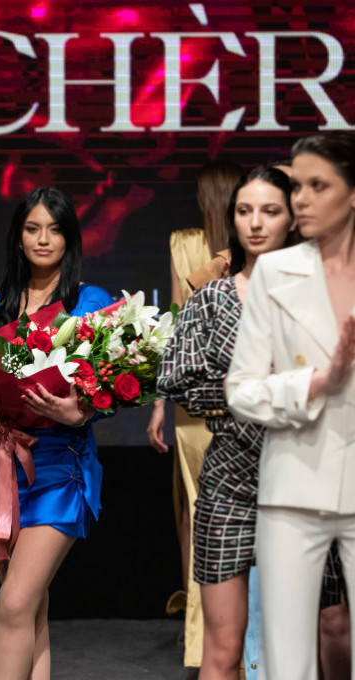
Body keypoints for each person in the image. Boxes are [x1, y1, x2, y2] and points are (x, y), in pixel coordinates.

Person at [0, 187, 113, 680]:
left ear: (70, 237)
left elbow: (109, 389)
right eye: (32, 228)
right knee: (29, 609)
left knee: (14, 604)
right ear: (18, 236)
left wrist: (78, 412)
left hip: (59, 469)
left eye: (55, 229)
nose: (43, 239)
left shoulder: (90, 302)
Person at [158, 166, 297, 679]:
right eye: (244, 211)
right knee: (222, 649)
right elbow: (178, 380)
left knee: (319, 638)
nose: (255, 223)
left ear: (292, 218)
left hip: (306, 478)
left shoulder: (322, 294)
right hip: (229, 480)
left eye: (269, 211)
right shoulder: (211, 298)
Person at [226, 131, 355, 680]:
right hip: (293, 486)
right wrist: (317, 382)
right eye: (297, 185)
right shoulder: (276, 272)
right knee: (286, 663)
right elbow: (241, 390)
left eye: (317, 185)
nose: (300, 199)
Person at [147, 159, 243, 667]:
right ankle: (218, 636)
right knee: (219, 511)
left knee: (198, 509)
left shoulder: (185, 243)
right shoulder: (246, 249)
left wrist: (161, 404)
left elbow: (174, 328)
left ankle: (202, 636)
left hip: (194, 401)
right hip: (232, 394)